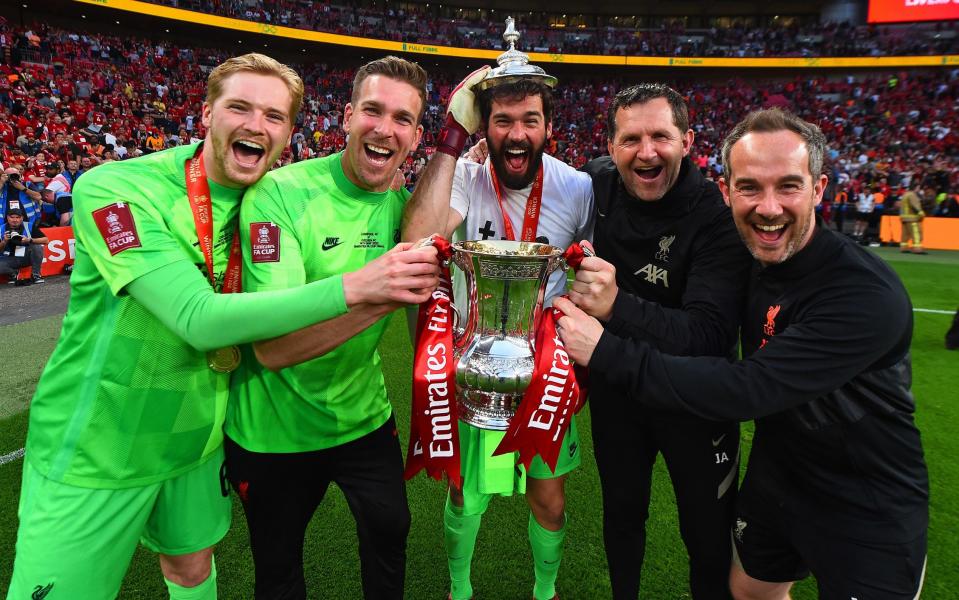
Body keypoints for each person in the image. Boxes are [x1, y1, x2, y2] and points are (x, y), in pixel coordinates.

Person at [8, 53, 436, 600]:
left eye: (275, 116)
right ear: (205, 113)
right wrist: (361, 287)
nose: (257, 125)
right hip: (99, 446)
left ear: (288, 133)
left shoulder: (262, 199)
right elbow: (197, 319)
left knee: (190, 569)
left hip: (198, 440)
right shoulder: (116, 190)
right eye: (240, 107)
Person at [554, 108, 929, 600]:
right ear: (727, 190)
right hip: (778, 476)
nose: (768, 207)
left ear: (819, 190)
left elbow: (744, 388)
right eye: (750, 187)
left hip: (864, 498)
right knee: (748, 592)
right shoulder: (756, 258)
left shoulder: (862, 296)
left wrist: (605, 348)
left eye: (788, 186)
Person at [223, 56, 439, 600]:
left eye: (402, 119)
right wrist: (381, 294)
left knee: (391, 532)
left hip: (362, 418)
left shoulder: (403, 211)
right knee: (278, 569)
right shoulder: (279, 194)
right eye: (372, 110)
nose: (384, 129)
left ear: (415, 137)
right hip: (274, 428)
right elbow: (273, 348)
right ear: (346, 117)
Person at [403, 65, 594, 600]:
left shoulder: (576, 187)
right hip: (477, 361)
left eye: (530, 120)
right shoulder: (464, 176)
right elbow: (417, 241)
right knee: (467, 498)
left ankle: (545, 591)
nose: (516, 134)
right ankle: (459, 589)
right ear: (485, 127)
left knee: (549, 501)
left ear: (548, 127)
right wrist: (451, 137)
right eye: (502, 120)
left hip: (546, 374)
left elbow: (591, 272)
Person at [574, 83, 750, 599]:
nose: (646, 152)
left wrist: (615, 307)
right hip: (619, 393)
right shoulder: (596, 183)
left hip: (697, 402)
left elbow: (708, 335)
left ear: (688, 140)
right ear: (610, 146)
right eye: (630, 139)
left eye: (660, 136)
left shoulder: (716, 217)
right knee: (622, 515)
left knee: (708, 536)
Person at [0, 207, 47, 284]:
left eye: (18, 217)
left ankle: (36, 275)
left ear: (22, 218)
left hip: (25, 256)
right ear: (8, 217)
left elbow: (46, 240)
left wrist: (30, 240)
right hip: (8, 258)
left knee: (37, 247)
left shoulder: (29, 226)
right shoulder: (1, 229)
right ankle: (13, 273)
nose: (15, 220)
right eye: (12, 217)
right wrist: (4, 241)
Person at [899, 181, 926, 254]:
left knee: (905, 234)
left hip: (904, 218)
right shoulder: (912, 195)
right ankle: (917, 249)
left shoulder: (905, 194)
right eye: (918, 188)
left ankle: (903, 248)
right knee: (916, 234)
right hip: (912, 218)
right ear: (916, 188)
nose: (919, 189)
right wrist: (921, 213)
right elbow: (915, 205)